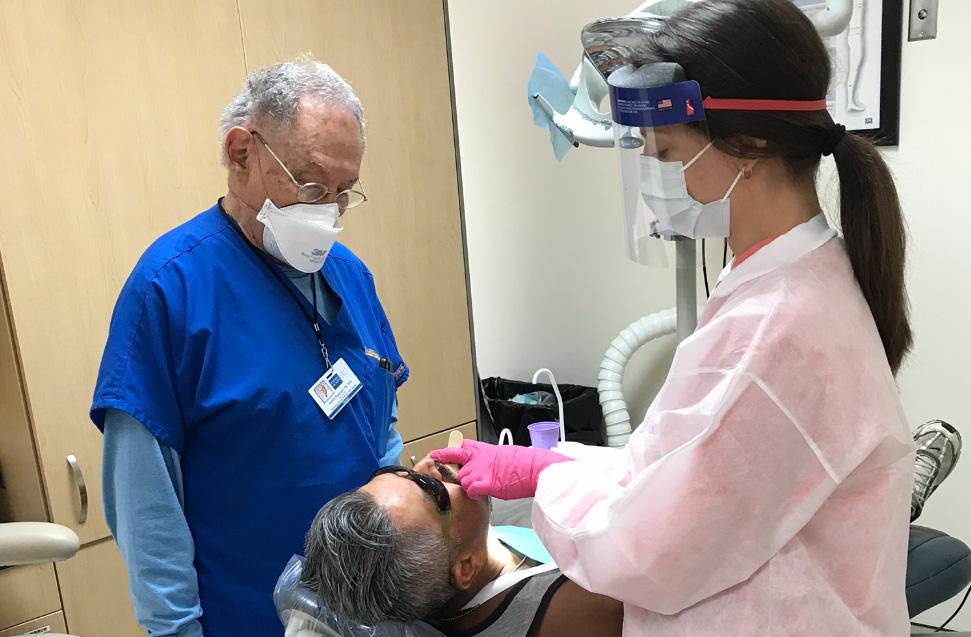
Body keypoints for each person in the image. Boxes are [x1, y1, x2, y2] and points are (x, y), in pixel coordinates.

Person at [433, 1, 917, 634]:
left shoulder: (781, 327)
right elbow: (677, 469)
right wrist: (549, 465)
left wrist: (541, 485)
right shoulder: (783, 280)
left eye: (665, 154)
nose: (657, 178)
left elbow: (645, 547)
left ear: (747, 144)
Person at [90, 58, 408, 637]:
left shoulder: (350, 276)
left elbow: (381, 428)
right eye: (310, 185)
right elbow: (147, 509)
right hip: (247, 618)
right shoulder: (170, 291)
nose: (328, 211)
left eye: (343, 192)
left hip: (366, 614)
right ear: (242, 154)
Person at [300, 457, 623, 636]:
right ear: (465, 566)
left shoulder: (439, 583)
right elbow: (657, 527)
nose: (428, 465)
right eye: (433, 492)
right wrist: (552, 472)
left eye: (401, 472)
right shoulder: (579, 609)